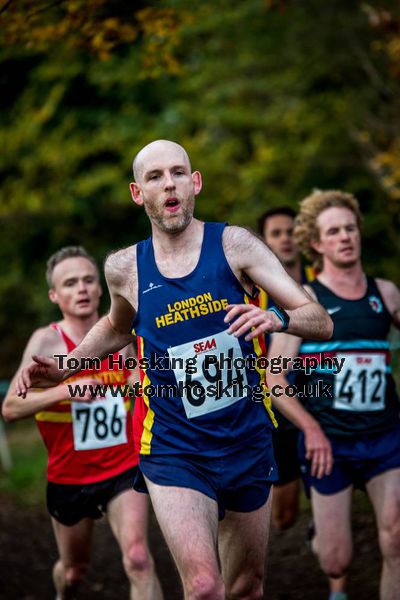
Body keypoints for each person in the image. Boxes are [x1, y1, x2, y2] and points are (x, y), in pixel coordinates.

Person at [16, 140, 333, 600]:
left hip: (245, 437)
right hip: (173, 447)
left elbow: (319, 319)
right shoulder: (124, 267)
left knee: (246, 587)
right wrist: (67, 366)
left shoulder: (234, 244)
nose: (169, 184)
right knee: (204, 587)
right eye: (155, 176)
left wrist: (277, 317)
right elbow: (116, 327)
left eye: (178, 173)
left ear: (195, 182)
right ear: (136, 193)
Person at [2, 246, 162, 600]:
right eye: (71, 283)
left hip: (124, 465)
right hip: (70, 476)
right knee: (74, 571)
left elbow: (136, 373)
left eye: (89, 280)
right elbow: (11, 407)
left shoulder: (120, 335)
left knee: (138, 558)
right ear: (54, 295)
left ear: (102, 288)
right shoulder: (47, 341)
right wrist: (65, 390)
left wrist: (137, 376)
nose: (82, 289)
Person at [267, 190, 400, 600]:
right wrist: (311, 430)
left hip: (385, 436)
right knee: (336, 561)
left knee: (395, 538)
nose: (345, 237)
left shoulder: (387, 293)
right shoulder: (305, 300)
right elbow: (273, 381)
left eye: (350, 228)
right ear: (317, 244)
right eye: (333, 232)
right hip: (330, 442)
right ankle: (324, 543)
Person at [258, 206, 316, 530]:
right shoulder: (256, 297)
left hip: (325, 401)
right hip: (277, 406)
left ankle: (324, 531)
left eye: (291, 231)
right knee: (285, 515)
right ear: (266, 243)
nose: (286, 238)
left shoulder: (321, 285)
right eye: (276, 233)